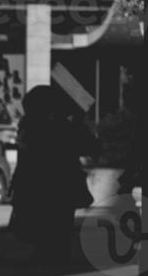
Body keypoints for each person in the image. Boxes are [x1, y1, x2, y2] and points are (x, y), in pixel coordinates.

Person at [8, 84, 94, 265]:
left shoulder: (30, 127)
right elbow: (89, 146)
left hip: (40, 186)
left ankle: (46, 256)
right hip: (60, 186)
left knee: (46, 228)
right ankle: (52, 257)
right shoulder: (59, 127)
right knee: (58, 229)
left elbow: (25, 160)